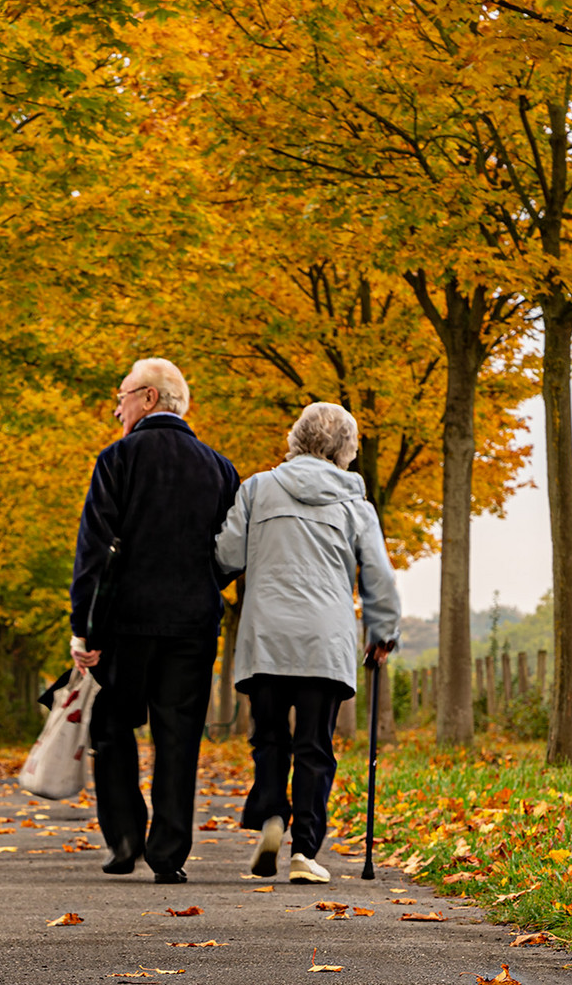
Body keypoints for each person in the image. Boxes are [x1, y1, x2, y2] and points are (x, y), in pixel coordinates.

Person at [213, 401, 399, 884]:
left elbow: (228, 553)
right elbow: (378, 575)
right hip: (324, 638)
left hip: (266, 635)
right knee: (314, 745)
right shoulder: (357, 506)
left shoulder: (257, 489)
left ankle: (273, 813)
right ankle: (304, 852)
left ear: (296, 439)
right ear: (344, 449)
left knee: (268, 738)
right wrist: (383, 633)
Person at [69, 358, 240, 884]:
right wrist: (204, 583)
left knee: (113, 724)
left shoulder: (117, 459)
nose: (116, 407)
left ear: (146, 398)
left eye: (120, 396)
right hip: (192, 624)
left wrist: (85, 628)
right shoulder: (220, 468)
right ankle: (168, 853)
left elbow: (93, 549)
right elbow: (233, 551)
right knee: (179, 735)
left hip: (126, 624)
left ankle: (123, 839)